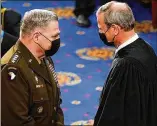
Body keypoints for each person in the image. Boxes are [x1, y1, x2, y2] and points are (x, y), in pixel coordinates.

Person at [94, 1, 157, 126]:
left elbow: (113, 113)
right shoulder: (146, 47)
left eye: (101, 29)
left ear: (115, 29)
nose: (100, 32)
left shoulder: (125, 65)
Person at [1, 9, 64, 126]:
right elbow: (18, 121)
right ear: (36, 37)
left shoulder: (45, 57)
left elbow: (56, 106)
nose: (58, 40)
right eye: (54, 36)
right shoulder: (12, 70)